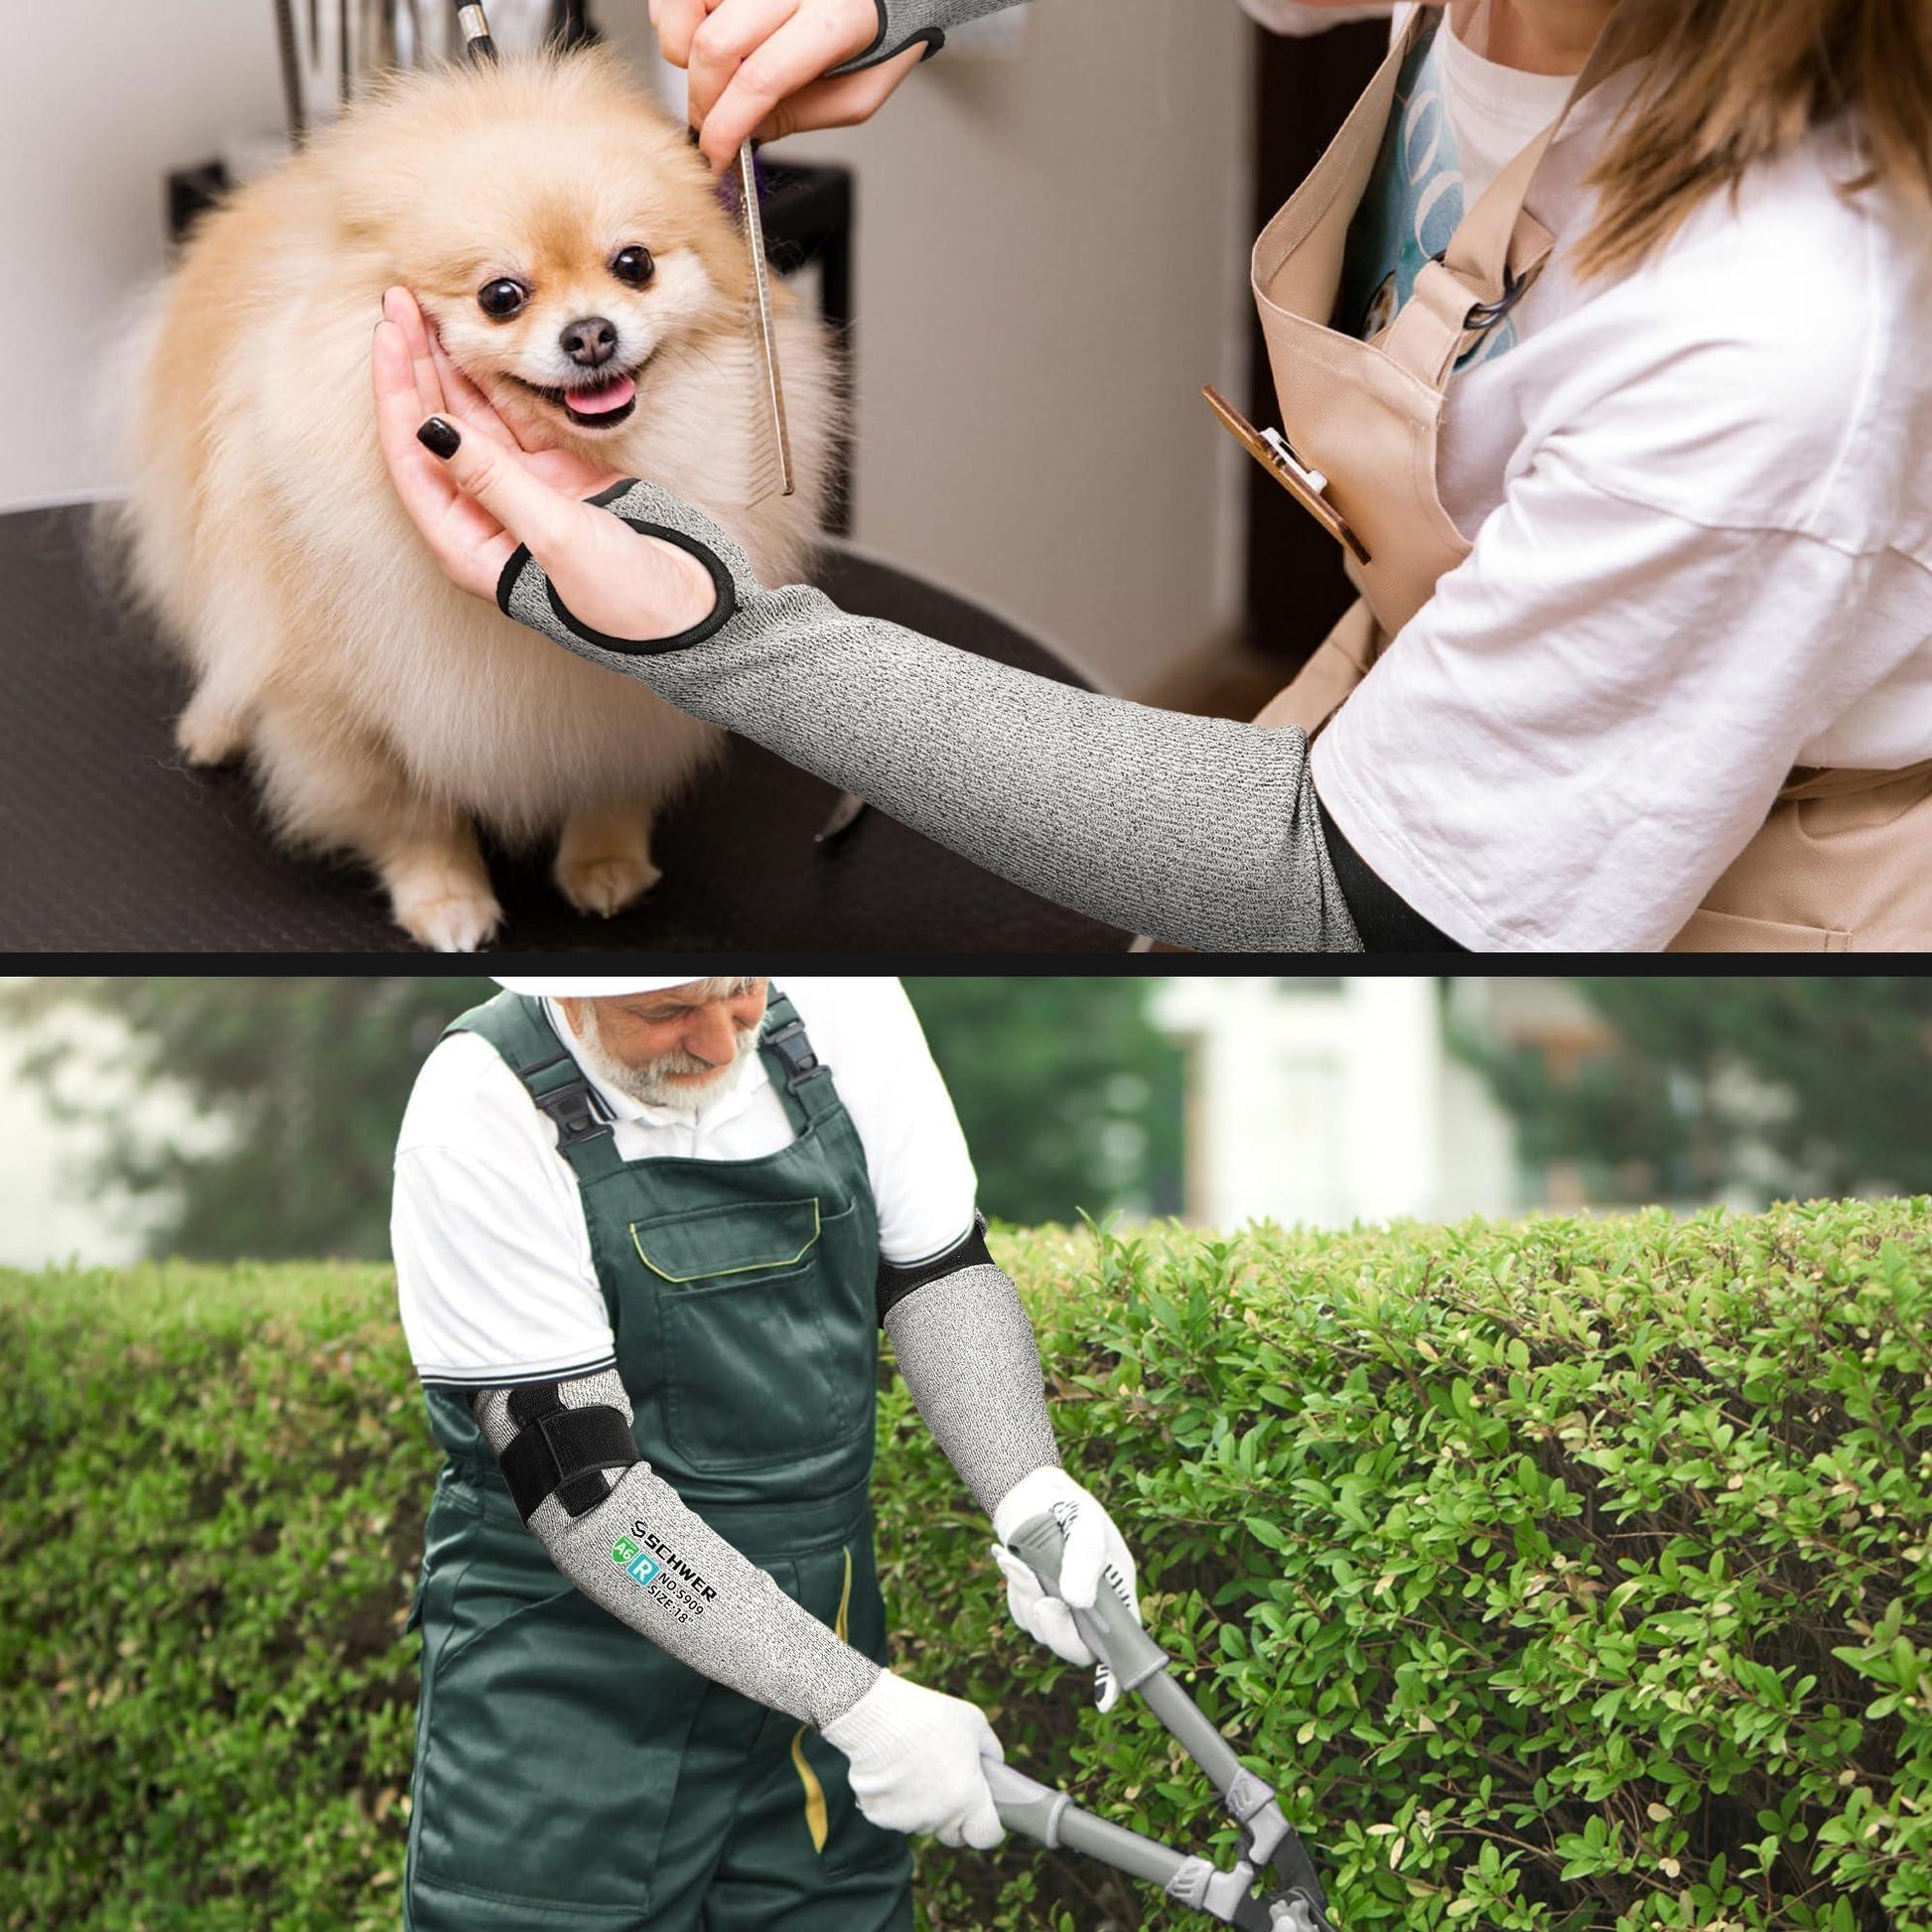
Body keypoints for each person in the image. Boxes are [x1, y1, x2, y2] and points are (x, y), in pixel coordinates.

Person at [373, 0, 1932, 951]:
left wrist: (702, 632)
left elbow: (1360, 891)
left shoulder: (1772, 343)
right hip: (1436, 679)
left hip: (1704, 874)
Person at [391, 974, 1142, 1932]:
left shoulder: (848, 1003)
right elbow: (588, 1499)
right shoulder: (476, 1110)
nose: (715, 1043)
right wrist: (858, 1703)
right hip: (567, 1713)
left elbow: (939, 1274)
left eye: (738, 992)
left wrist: (1029, 1487)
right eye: (663, 1015)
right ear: (566, 1000)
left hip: (815, 1693)